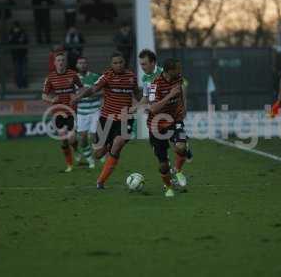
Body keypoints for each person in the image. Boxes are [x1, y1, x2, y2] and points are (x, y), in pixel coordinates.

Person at [72, 52, 139, 189]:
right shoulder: (106, 76)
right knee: (98, 154)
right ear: (111, 64)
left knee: (118, 142)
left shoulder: (131, 76)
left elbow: (137, 93)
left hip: (125, 118)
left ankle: (100, 182)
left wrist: (140, 104)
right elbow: (93, 89)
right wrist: (79, 97)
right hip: (106, 119)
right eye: (115, 63)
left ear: (124, 62)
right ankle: (108, 146)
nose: (118, 65)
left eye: (120, 62)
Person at [138, 49, 193, 164]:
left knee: (178, 146)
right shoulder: (145, 78)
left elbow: (184, 85)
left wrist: (184, 105)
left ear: (153, 63)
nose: (142, 67)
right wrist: (137, 107)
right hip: (156, 118)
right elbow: (146, 97)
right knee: (162, 154)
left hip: (172, 116)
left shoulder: (165, 72)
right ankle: (173, 164)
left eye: (144, 64)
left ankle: (180, 162)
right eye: (141, 64)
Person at [146, 58, 190, 197]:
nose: (180, 71)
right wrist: (170, 95)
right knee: (163, 165)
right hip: (157, 126)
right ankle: (169, 187)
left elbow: (182, 91)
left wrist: (184, 107)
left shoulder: (179, 79)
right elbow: (153, 108)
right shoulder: (155, 85)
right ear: (169, 71)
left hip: (175, 121)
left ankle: (177, 170)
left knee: (181, 147)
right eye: (178, 69)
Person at [42, 52, 83, 172]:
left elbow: (82, 89)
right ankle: (69, 165)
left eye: (62, 60)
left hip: (71, 111)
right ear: (54, 63)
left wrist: (77, 97)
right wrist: (51, 99)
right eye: (58, 60)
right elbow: (44, 95)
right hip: (57, 113)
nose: (60, 62)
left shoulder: (73, 74)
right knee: (63, 138)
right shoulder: (50, 77)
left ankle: (75, 149)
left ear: (65, 62)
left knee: (72, 138)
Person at [75, 57, 102, 169]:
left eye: (84, 63)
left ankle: (100, 153)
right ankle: (90, 159)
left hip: (95, 110)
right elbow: (71, 95)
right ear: (77, 65)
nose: (83, 65)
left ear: (88, 64)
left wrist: (89, 94)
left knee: (94, 135)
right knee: (82, 139)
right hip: (81, 112)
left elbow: (103, 91)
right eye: (80, 63)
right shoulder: (73, 79)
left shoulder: (95, 77)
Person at [8, 21, 28, 88]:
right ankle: (19, 84)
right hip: (15, 55)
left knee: (23, 70)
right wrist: (17, 40)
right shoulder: (11, 33)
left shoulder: (23, 32)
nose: (16, 29)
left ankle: (24, 83)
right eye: (15, 28)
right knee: (17, 70)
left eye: (17, 28)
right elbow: (11, 42)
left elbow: (23, 41)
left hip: (23, 54)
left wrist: (17, 40)